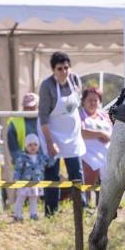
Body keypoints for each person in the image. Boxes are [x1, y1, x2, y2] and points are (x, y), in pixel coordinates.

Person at [38, 52, 85, 216]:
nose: (64, 72)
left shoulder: (75, 80)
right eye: (60, 69)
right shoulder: (46, 86)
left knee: (76, 172)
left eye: (66, 68)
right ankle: (51, 211)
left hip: (72, 135)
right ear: (53, 70)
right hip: (51, 132)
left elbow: (78, 105)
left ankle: (82, 208)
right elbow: (43, 117)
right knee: (52, 173)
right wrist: (50, 142)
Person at [5, 92, 43, 207]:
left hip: (40, 162)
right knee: (21, 192)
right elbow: (13, 145)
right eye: (27, 107)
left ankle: (35, 210)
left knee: (37, 191)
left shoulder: (45, 120)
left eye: (32, 107)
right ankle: (18, 211)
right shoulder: (14, 122)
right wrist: (20, 161)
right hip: (23, 162)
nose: (29, 109)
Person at [79, 86, 112, 205]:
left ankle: (102, 205)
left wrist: (107, 136)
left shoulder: (105, 115)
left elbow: (113, 132)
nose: (93, 103)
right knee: (88, 179)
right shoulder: (80, 115)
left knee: (106, 182)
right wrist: (100, 134)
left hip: (106, 153)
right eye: (90, 100)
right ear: (83, 101)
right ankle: (86, 204)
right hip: (87, 153)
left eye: (95, 100)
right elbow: (81, 132)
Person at [11, 134, 52, 221]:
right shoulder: (22, 158)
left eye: (35, 144)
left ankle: (33, 214)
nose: (32, 147)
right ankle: (17, 215)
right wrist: (16, 179)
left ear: (38, 146)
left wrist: (55, 155)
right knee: (21, 198)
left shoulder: (41, 158)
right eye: (30, 145)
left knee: (33, 199)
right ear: (26, 146)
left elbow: (49, 163)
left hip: (36, 182)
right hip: (24, 183)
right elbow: (18, 169)